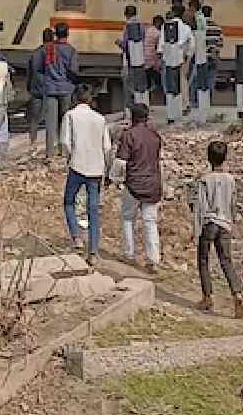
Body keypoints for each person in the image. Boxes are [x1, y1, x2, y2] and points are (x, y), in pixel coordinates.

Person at [192, 141, 243, 319]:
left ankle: (207, 297)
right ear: (225, 158)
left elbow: (200, 207)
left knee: (203, 259)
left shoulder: (204, 180)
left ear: (209, 158)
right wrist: (231, 224)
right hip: (224, 223)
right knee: (226, 261)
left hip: (209, 223)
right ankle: (237, 294)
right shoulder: (230, 180)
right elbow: (233, 204)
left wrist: (196, 230)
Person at [60, 84, 112, 265]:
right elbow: (107, 147)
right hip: (96, 168)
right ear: (90, 99)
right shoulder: (100, 119)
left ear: (75, 98)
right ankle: (94, 251)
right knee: (93, 210)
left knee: (68, 202)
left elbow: (65, 143)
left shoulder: (70, 116)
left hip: (77, 164)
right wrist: (106, 167)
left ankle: (76, 236)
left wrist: (68, 158)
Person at [113, 103, 162, 273]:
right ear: (147, 117)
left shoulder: (129, 135)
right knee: (150, 222)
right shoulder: (155, 136)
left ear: (132, 117)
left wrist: (112, 178)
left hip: (133, 185)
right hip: (153, 185)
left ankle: (129, 254)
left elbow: (120, 162)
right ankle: (153, 260)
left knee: (128, 218)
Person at [42, 22, 81, 157]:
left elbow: (42, 68)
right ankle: (65, 151)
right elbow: (74, 70)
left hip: (50, 88)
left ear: (55, 34)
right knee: (65, 121)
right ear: (67, 34)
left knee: (51, 123)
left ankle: (50, 152)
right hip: (66, 88)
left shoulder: (48, 49)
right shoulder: (71, 51)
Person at [158, 5, 194, 124]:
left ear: (173, 12)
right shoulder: (186, 28)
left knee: (169, 87)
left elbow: (161, 46)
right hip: (181, 58)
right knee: (180, 84)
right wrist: (187, 57)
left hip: (168, 59)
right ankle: (181, 110)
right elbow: (192, 45)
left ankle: (171, 114)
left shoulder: (166, 26)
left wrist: (162, 56)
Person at [117, 5, 150, 112]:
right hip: (140, 59)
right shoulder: (142, 26)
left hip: (129, 61)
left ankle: (130, 111)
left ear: (125, 14)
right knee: (141, 86)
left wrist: (119, 43)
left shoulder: (128, 26)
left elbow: (126, 45)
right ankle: (144, 109)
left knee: (129, 87)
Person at [25, 28, 54, 146]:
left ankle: (32, 143)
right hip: (51, 90)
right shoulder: (53, 52)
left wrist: (30, 87)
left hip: (36, 89)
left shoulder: (36, 53)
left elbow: (30, 72)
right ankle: (50, 145)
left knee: (34, 120)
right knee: (51, 119)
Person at [185, 0, 208, 110]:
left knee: (193, 78)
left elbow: (196, 34)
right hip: (200, 52)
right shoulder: (201, 17)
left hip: (197, 52)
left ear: (193, 8)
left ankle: (192, 101)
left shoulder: (198, 18)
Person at [200, 5, 223, 103]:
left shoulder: (200, 27)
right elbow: (220, 43)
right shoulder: (217, 27)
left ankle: (200, 101)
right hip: (213, 57)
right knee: (211, 79)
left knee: (201, 80)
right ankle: (208, 100)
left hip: (202, 57)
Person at [145, 15, 164, 96]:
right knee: (158, 80)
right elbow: (159, 49)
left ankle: (147, 98)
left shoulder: (147, 30)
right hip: (152, 60)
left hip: (144, 59)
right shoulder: (158, 33)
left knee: (147, 81)